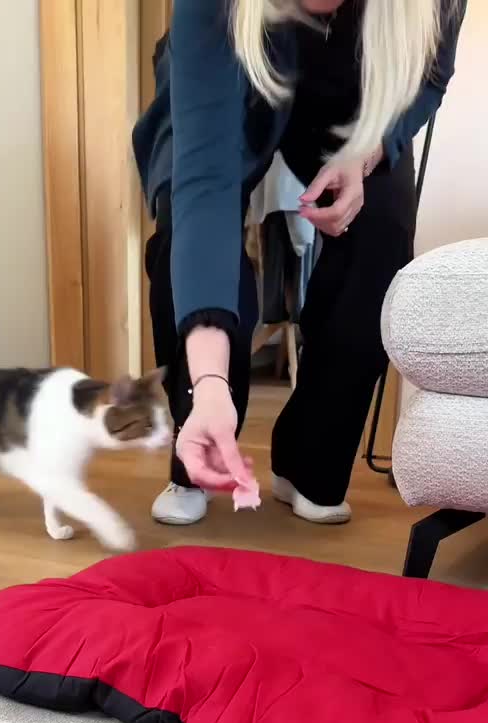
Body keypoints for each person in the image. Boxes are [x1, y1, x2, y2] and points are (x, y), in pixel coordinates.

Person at [133, 0, 466, 526]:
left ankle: (311, 466)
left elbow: (430, 77)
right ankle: (198, 447)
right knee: (183, 226)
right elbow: (206, 183)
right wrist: (211, 382)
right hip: (229, 66)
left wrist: (367, 154)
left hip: (355, 89)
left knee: (381, 233)